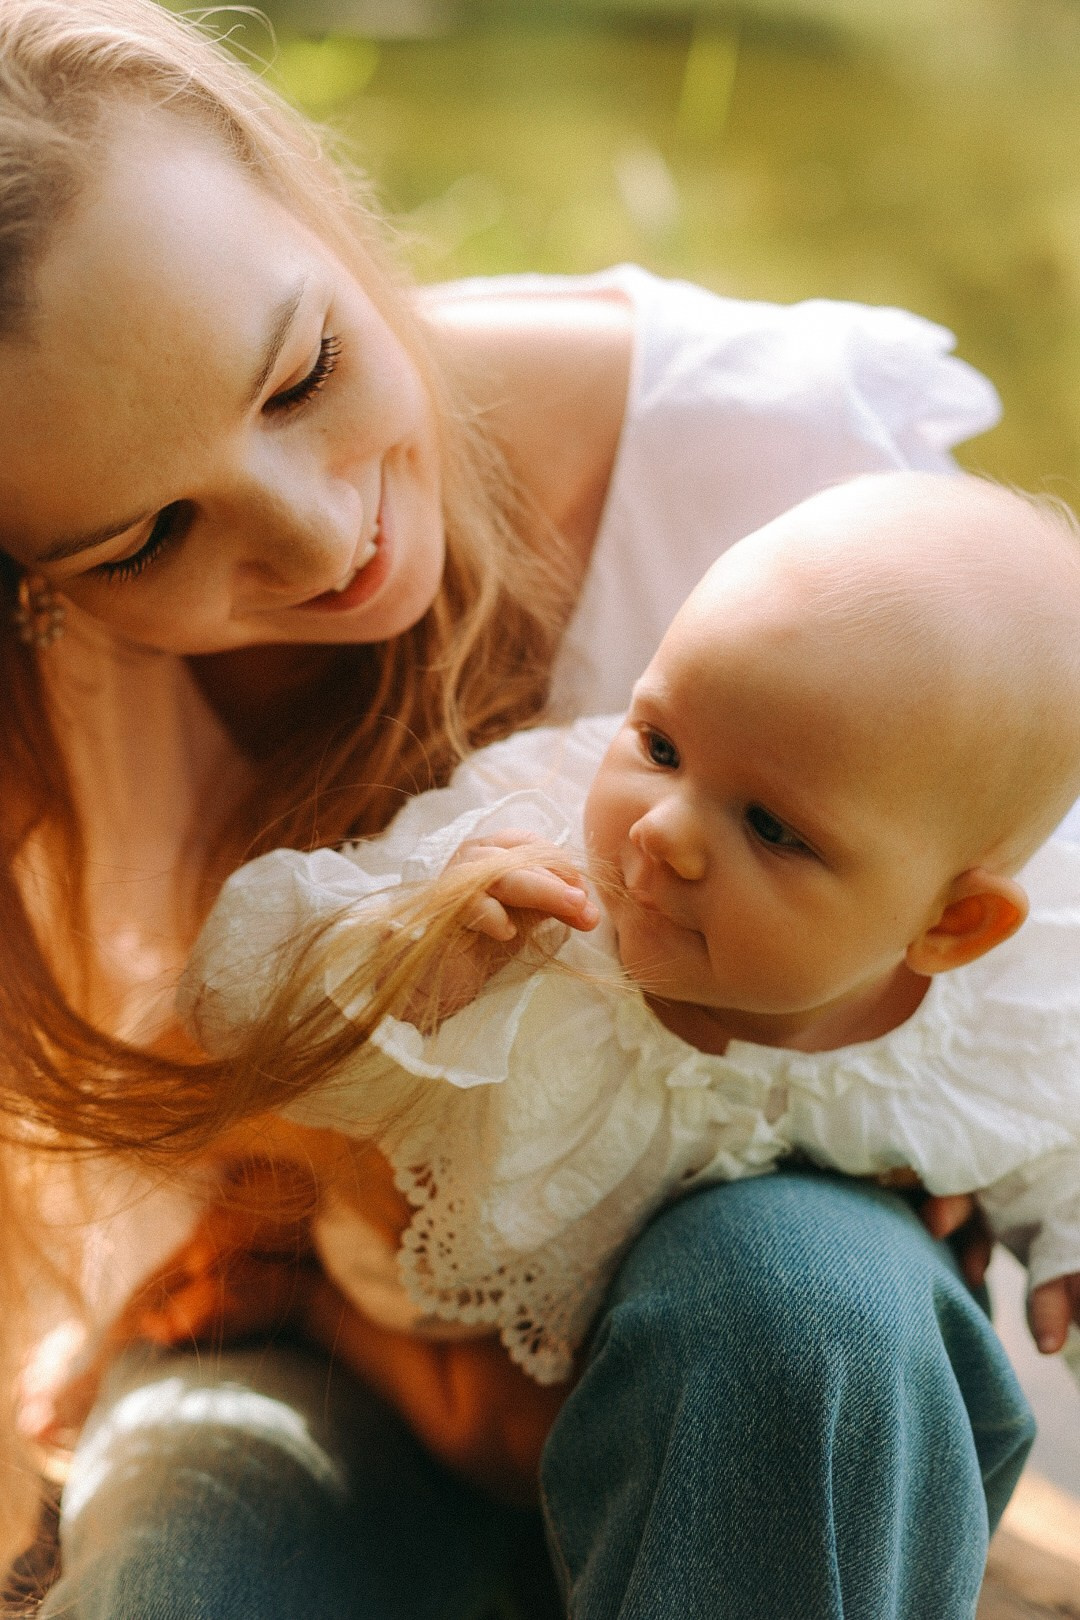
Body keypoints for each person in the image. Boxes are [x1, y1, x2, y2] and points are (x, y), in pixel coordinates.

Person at [0, 1, 1034, 1615]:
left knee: (796, 1298)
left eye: (303, 373)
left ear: (314, 208)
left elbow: (1026, 961)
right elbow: (149, 1109)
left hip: (733, 1349)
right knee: (184, 1566)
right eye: (144, 539)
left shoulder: (785, 468)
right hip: (330, 1333)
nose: (318, 536)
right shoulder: (51, 685)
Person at [182, 469, 1080, 1392]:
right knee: (491, 1417)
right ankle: (325, 1325)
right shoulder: (529, 864)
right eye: (659, 745)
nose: (661, 831)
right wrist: (410, 954)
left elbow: (1056, 1116)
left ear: (953, 923)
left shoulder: (1013, 999)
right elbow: (226, 998)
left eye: (771, 829)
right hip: (427, 1296)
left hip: (679, 1345)